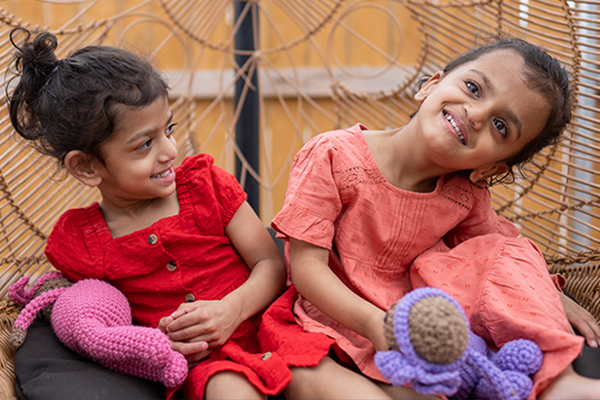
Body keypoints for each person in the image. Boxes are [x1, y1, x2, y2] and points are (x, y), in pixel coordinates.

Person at [270, 37, 600, 399]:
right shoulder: (334, 155)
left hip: (422, 333)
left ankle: (559, 380)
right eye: (473, 88)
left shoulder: (464, 196)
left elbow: (505, 263)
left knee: (510, 249)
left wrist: (550, 295)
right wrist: (373, 324)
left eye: (501, 126)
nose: (476, 115)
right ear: (430, 85)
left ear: (489, 168)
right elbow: (306, 268)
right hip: (330, 322)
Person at [7, 27, 301, 399]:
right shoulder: (82, 243)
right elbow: (106, 324)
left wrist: (231, 310)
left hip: (276, 328)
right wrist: (156, 348)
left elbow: (271, 264)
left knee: (321, 376)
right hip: (208, 367)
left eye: (169, 130)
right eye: (145, 143)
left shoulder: (204, 186)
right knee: (231, 390)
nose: (169, 151)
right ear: (86, 167)